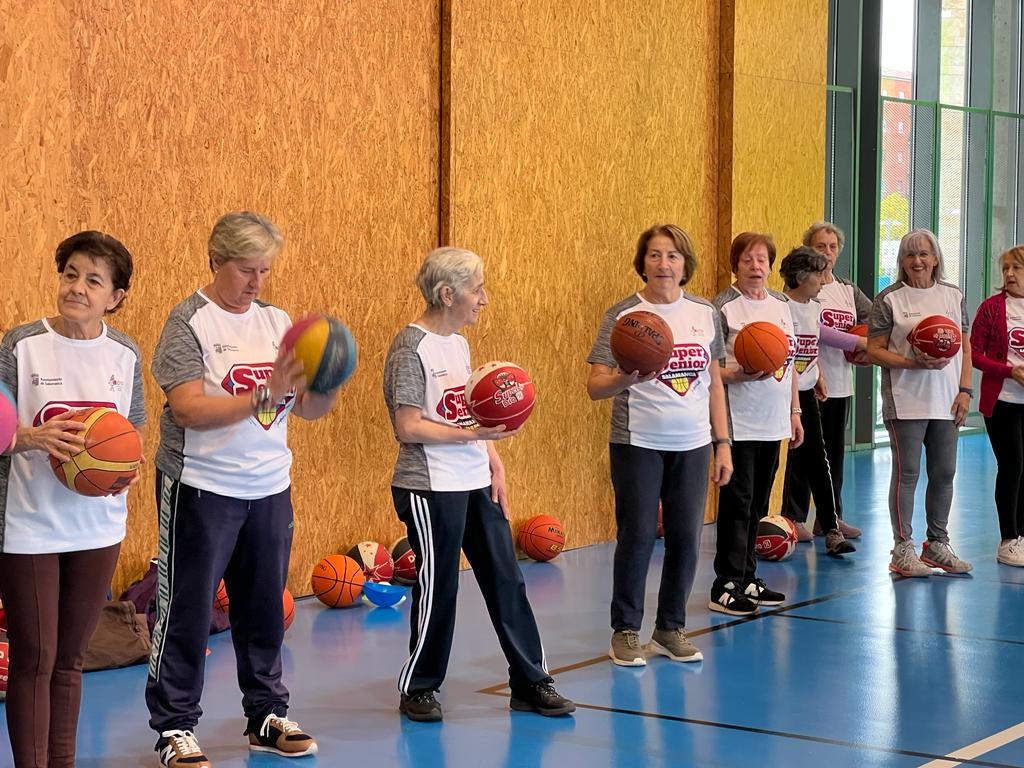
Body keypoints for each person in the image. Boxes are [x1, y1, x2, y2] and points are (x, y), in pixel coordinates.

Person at [146, 212, 341, 767]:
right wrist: (267, 393)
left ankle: (265, 714)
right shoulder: (189, 322)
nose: (256, 282)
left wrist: (324, 381)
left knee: (262, 608)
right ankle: (175, 726)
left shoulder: (279, 322)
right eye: (245, 269)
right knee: (185, 608)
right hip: (201, 487)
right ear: (215, 261)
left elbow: (307, 409)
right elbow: (187, 409)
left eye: (265, 270)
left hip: (269, 485)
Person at [383, 246, 574, 722]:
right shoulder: (411, 348)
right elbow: (408, 426)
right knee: (438, 584)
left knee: (507, 578)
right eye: (477, 289)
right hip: (429, 485)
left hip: (473, 479)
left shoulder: (460, 345)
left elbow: (475, 415)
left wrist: (494, 460)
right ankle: (420, 687)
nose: (484, 299)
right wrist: (473, 436)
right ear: (448, 294)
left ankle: (532, 681)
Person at [0, 231, 144, 767]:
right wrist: (30, 438)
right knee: (35, 657)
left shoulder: (124, 353)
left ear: (116, 296)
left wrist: (126, 468)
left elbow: (131, 433)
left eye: (93, 280)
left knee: (71, 660)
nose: (77, 288)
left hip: (98, 525)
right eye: (70, 275)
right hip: (29, 522)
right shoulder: (21, 345)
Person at [587, 224, 733, 667]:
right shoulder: (624, 316)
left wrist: (722, 443)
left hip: (692, 443)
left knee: (687, 538)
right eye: (654, 255)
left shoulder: (705, 313)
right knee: (637, 536)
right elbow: (594, 387)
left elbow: (713, 385)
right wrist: (625, 378)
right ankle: (625, 631)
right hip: (638, 441)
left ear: (685, 264)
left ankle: (670, 628)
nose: (663, 264)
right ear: (642, 262)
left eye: (671, 255)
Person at [867, 228, 973, 577]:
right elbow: (874, 351)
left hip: (947, 400)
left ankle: (937, 545)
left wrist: (965, 390)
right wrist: (913, 363)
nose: (917, 261)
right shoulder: (890, 299)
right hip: (906, 400)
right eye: (910, 255)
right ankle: (902, 549)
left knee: (944, 473)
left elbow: (966, 347)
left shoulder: (953, 295)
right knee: (907, 474)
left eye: (924, 254)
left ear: (936, 258)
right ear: (901, 262)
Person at [709, 232, 803, 616]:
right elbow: (710, 370)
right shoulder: (722, 308)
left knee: (759, 503)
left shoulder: (781, 304)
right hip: (737, 421)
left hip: (773, 419)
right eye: (747, 260)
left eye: (762, 260)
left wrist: (795, 412)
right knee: (738, 502)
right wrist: (739, 374)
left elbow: (790, 360)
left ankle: (748, 576)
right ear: (736, 265)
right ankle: (725, 583)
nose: (755, 267)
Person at [777, 246, 855, 557]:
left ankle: (831, 528)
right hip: (779, 392)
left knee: (818, 460)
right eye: (819, 274)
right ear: (800, 276)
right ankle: (776, 521)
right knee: (774, 461)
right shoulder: (780, 307)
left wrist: (818, 372)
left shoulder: (812, 307)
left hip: (806, 390)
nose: (825, 281)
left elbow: (811, 348)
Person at [801, 221, 871, 541]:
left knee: (835, 455)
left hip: (843, 382)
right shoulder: (805, 286)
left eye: (832, 247)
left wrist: (868, 338)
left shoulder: (847, 289)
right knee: (807, 453)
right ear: (808, 250)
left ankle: (831, 517)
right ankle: (795, 516)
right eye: (820, 246)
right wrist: (856, 343)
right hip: (813, 380)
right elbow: (815, 330)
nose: (827, 253)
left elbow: (874, 317)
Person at [970, 245, 1024, 567]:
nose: (1009, 275)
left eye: (1016, 268)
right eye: (1006, 269)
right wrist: (1009, 371)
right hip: (1002, 401)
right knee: (1013, 465)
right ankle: (1007, 539)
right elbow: (974, 354)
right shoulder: (991, 309)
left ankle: (1022, 536)